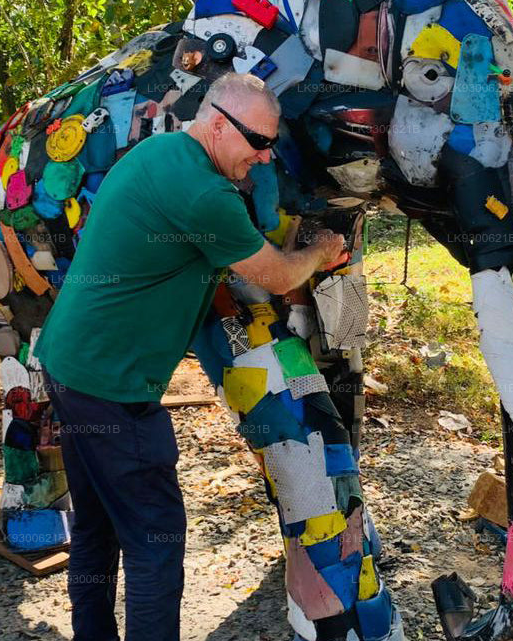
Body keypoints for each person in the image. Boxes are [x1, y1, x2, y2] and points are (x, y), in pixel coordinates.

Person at [34, 72, 347, 641]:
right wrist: (320, 251)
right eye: (257, 143)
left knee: (97, 530)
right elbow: (277, 276)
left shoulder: (163, 150)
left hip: (67, 365)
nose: (263, 158)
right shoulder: (207, 195)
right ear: (220, 125)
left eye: (272, 145)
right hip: (113, 389)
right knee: (156, 545)